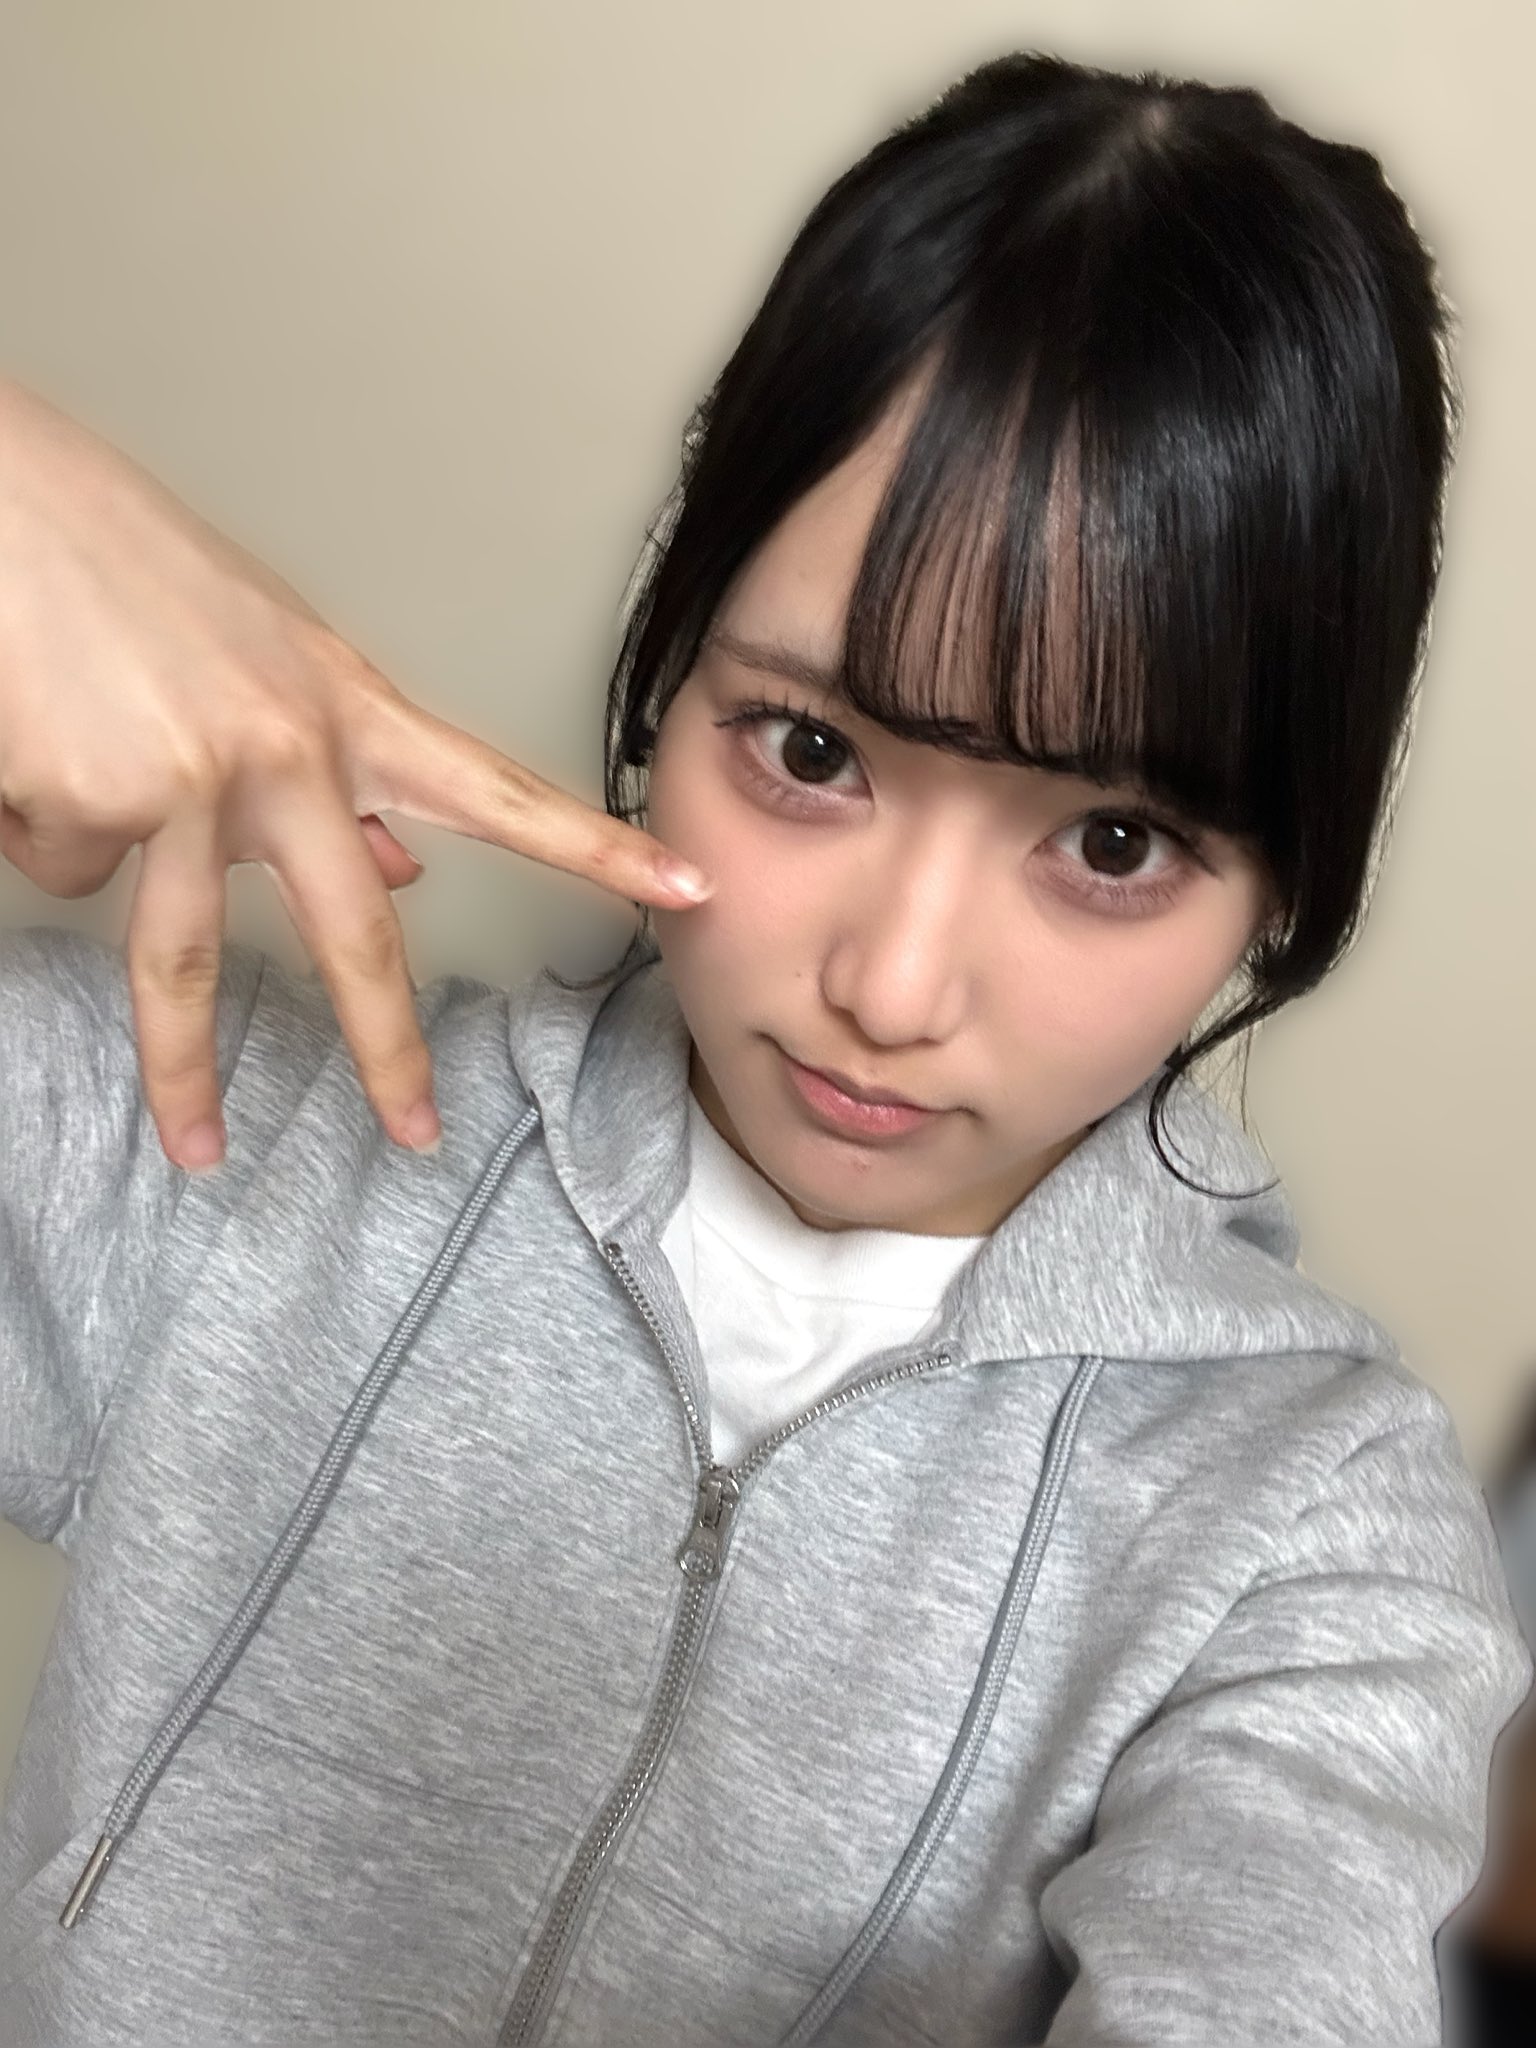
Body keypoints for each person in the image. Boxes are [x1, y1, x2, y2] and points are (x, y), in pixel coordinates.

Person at [0, 49, 1529, 2048]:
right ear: (671, 667)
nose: (892, 985)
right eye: (812, 749)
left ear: (1282, 884)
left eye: (1111, 845)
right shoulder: (232, 1139)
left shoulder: (1305, 1532)